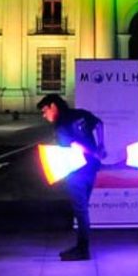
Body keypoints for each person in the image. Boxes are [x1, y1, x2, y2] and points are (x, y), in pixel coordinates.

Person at [37, 93, 105, 261]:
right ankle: (81, 247)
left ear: (53, 106)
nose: (44, 116)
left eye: (45, 111)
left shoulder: (60, 125)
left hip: (77, 171)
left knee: (81, 211)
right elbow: (100, 124)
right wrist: (101, 145)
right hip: (92, 169)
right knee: (83, 210)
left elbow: (76, 146)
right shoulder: (79, 113)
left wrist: (94, 152)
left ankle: (82, 250)